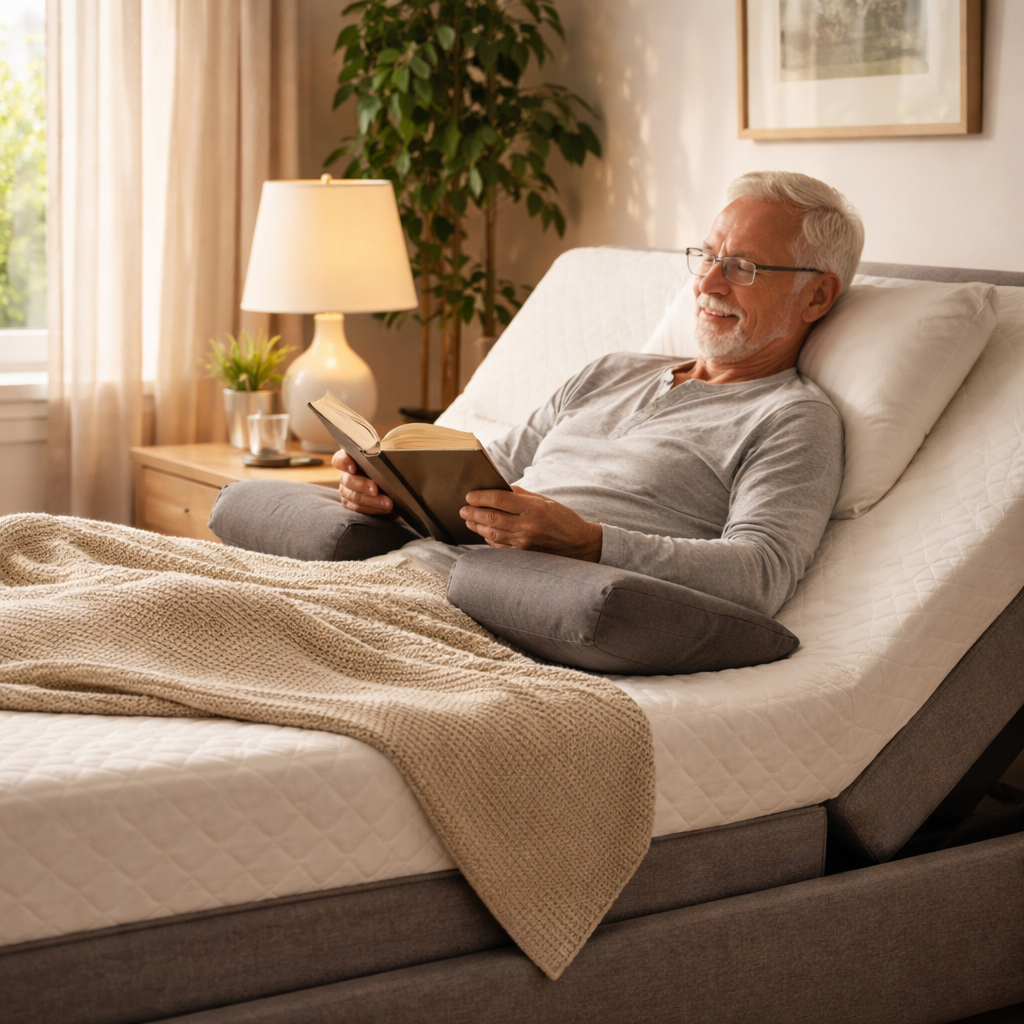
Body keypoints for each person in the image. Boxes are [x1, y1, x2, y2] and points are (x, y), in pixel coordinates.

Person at [339, 172, 858, 616]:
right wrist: (392, 492)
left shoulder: (792, 418)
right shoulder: (612, 370)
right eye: (707, 256)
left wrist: (588, 542)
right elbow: (493, 472)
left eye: (743, 268)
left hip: (527, 608)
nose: (707, 285)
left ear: (817, 295)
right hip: (420, 576)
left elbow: (761, 573)